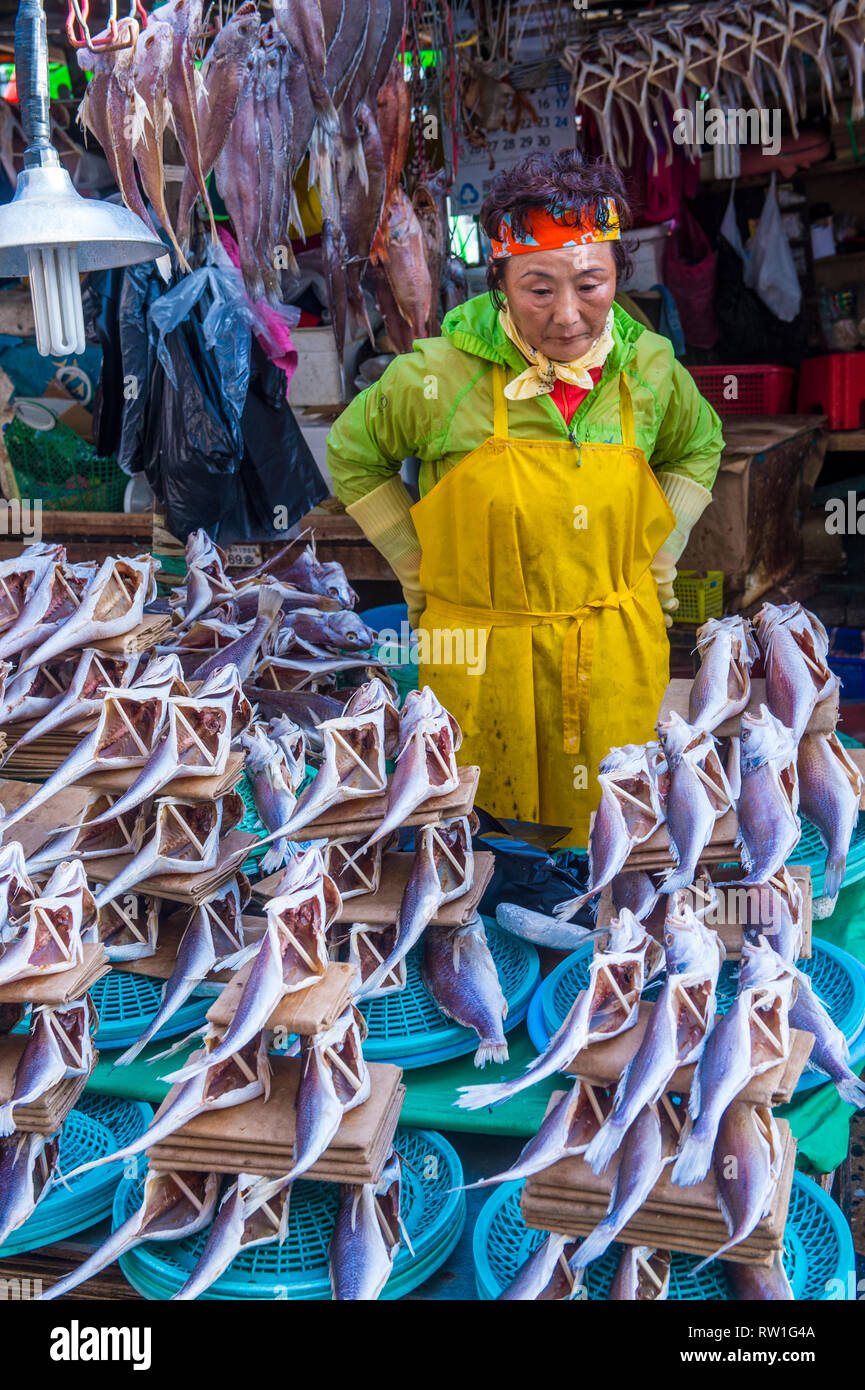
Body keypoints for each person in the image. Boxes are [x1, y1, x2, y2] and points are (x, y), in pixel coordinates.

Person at [327, 151, 723, 845]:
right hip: (479, 656)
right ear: (500, 282)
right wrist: (416, 569)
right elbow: (353, 455)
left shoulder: (650, 369)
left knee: (610, 842)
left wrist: (658, 561)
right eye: (538, 289)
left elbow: (699, 446)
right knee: (476, 846)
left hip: (612, 651)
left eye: (590, 284)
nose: (568, 316)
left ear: (616, 276)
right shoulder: (438, 376)